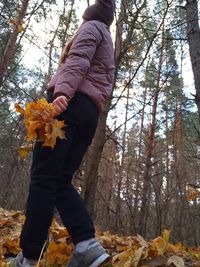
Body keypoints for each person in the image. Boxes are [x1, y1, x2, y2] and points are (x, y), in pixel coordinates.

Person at [15, 0, 115, 266]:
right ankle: (86, 244)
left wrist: (61, 94)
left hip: (69, 106)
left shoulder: (91, 27)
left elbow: (78, 60)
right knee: (59, 180)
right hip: (89, 114)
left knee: (43, 178)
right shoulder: (107, 41)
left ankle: (28, 256)